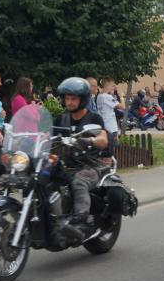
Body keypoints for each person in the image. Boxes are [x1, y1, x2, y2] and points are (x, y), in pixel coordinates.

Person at [53, 77, 110, 242]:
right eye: (67, 98)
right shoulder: (61, 119)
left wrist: (91, 140)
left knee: (79, 182)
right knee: (40, 176)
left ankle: (80, 221)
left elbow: (103, 138)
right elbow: (47, 136)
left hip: (90, 166)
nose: (69, 102)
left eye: (73, 99)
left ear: (83, 99)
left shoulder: (94, 119)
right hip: (66, 165)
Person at [96, 77, 124, 152]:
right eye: (113, 86)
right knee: (112, 150)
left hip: (104, 126)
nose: (114, 88)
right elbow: (122, 107)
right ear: (107, 86)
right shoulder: (107, 97)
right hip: (111, 128)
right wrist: (121, 97)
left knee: (105, 150)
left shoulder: (99, 96)